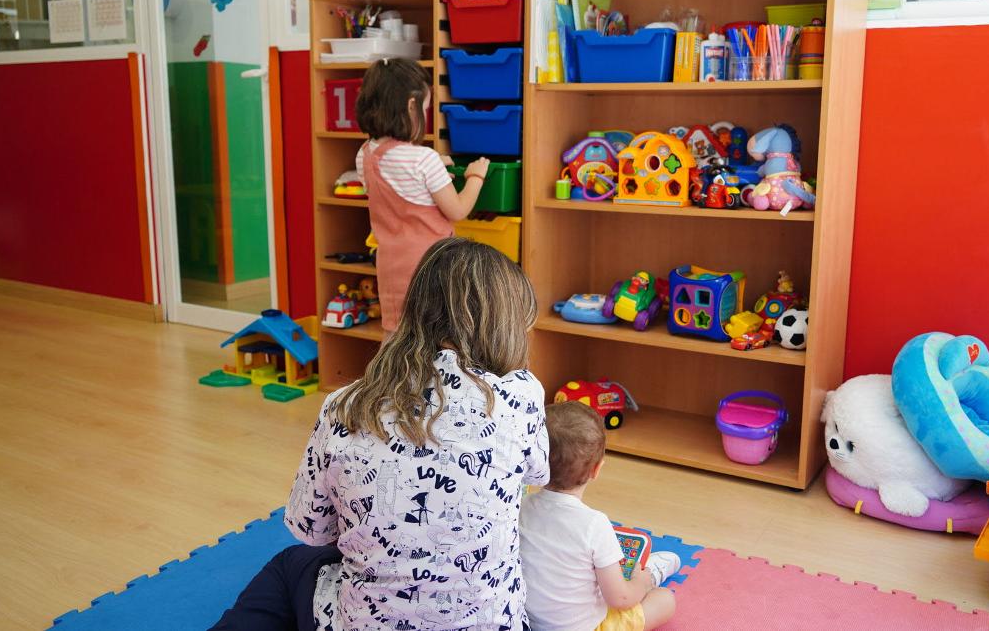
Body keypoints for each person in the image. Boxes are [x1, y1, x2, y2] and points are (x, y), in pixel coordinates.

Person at [211, 238, 547, 631]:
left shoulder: (345, 406)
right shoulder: (522, 395)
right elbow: (539, 474)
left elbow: (312, 531)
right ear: (503, 325)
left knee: (292, 564)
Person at [354, 58, 490, 332]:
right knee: (433, 336)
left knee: (398, 334)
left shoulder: (365, 154)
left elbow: (397, 187)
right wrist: (476, 176)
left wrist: (434, 168)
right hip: (430, 266)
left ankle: (391, 376)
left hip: (390, 265)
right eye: (425, 108)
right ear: (411, 107)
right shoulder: (423, 159)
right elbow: (458, 209)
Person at [519, 401, 679, 631]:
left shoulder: (522, 507)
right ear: (596, 469)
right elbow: (620, 599)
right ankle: (651, 575)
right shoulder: (595, 525)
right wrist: (640, 584)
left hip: (530, 623)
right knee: (665, 600)